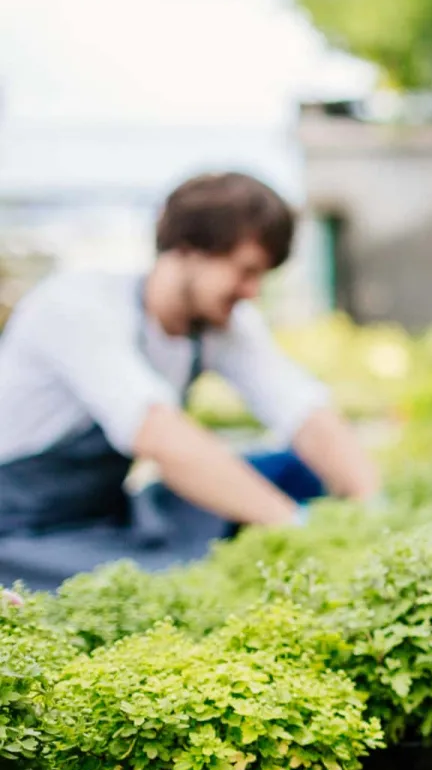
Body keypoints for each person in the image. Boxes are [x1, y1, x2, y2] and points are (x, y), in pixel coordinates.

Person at [0, 172, 380, 591]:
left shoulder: (218, 323)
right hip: (20, 524)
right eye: (246, 270)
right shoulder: (78, 307)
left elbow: (301, 408)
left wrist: (373, 507)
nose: (252, 291)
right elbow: (159, 436)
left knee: (290, 469)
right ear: (187, 250)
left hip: (105, 511)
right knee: (149, 587)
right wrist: (292, 525)